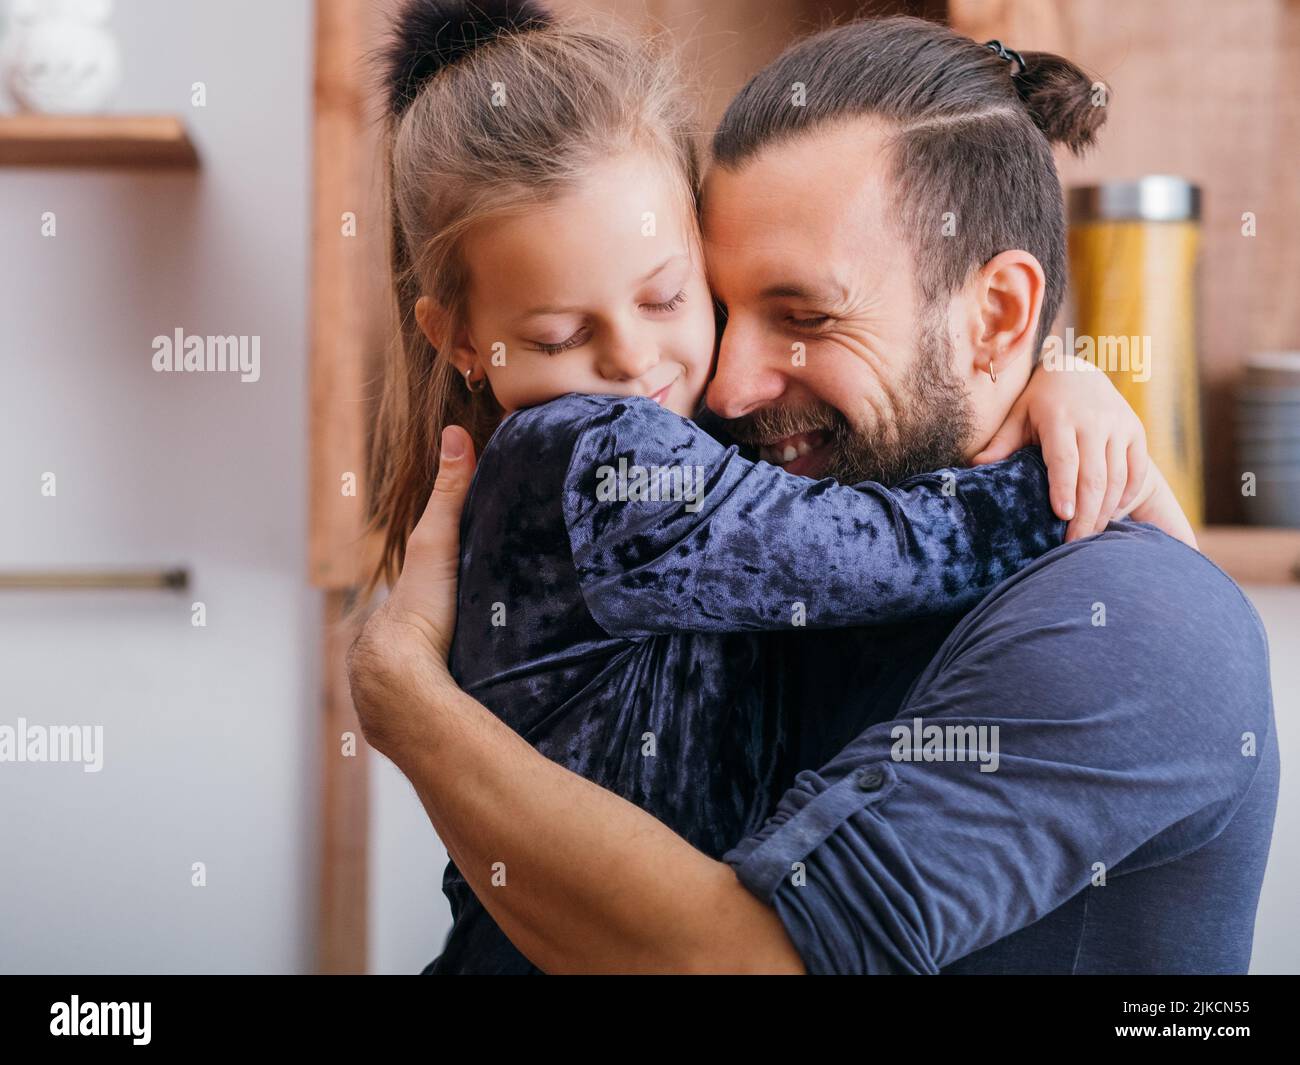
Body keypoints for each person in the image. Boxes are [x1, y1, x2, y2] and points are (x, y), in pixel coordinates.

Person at [350, 11, 1278, 974]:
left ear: (999, 314)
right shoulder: (757, 504)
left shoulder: (1129, 623)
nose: (722, 387)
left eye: (803, 316)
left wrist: (406, 697)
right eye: (721, 308)